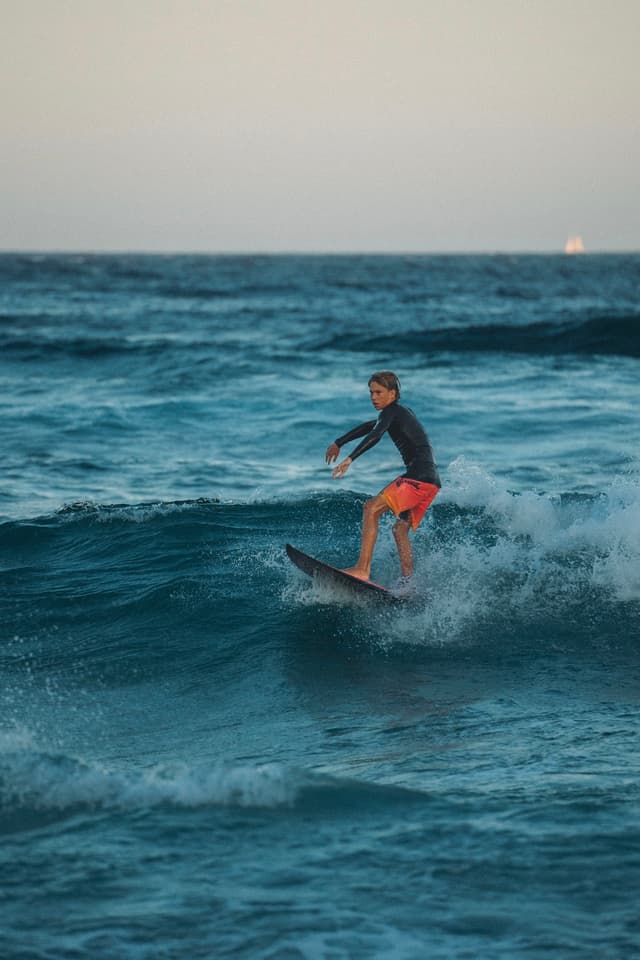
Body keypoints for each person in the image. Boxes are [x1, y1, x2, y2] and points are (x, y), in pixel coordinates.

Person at [325, 371, 440, 584]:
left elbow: (375, 435)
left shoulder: (391, 411)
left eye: (378, 392)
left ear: (393, 393)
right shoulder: (400, 413)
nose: (373, 397)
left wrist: (350, 458)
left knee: (371, 508)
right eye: (371, 393)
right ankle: (408, 584)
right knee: (400, 529)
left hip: (417, 477)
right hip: (431, 481)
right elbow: (371, 427)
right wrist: (339, 442)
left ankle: (361, 569)